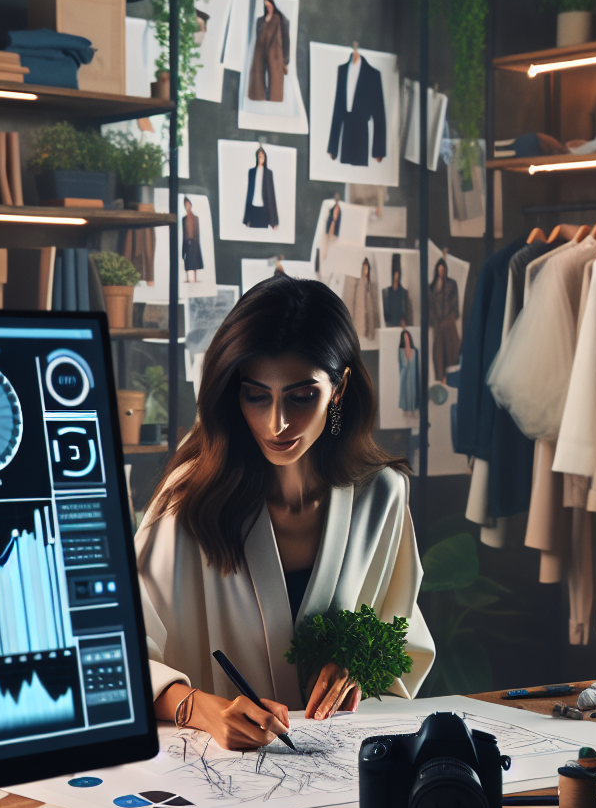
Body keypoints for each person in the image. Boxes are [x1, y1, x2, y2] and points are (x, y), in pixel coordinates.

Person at [136, 276, 434, 750]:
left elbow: (398, 640)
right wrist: (201, 709)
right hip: (215, 773)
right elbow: (117, 659)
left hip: (335, 771)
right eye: (257, 395)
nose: (277, 424)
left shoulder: (382, 496)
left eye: (301, 397)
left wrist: (354, 671)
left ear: (339, 389)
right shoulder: (189, 501)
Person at [248, 0, 290, 103]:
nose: (268, 8)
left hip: (276, 54)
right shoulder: (261, 20)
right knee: (258, 77)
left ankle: (274, 101)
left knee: (275, 80)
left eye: (269, 5)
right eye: (265, 6)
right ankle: (257, 99)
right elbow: (258, 35)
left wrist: (285, 59)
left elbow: (285, 38)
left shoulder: (280, 18)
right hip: (260, 52)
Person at [429, 257, 460, 381]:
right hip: (437, 325)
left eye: (443, 270)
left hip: (449, 323)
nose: (441, 273)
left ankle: (450, 381)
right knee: (438, 356)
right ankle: (440, 381)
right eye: (439, 271)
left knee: (451, 354)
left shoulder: (451, 284)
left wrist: (451, 316)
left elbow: (455, 302)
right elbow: (430, 305)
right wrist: (433, 322)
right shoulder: (432, 286)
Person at [343, 257, 380, 342]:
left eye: (366, 267)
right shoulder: (357, 283)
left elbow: (371, 309)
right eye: (364, 267)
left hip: (367, 327)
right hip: (358, 324)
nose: (365, 270)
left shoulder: (370, 285)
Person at [243, 147, 279, 230]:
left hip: (264, 209)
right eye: (259, 156)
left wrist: (274, 222)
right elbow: (249, 193)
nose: (261, 158)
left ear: (265, 158)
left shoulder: (268, 173)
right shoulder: (251, 172)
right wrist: (247, 218)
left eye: (262, 156)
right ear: (256, 157)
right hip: (253, 207)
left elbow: (271, 195)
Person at [382, 253, 413, 327]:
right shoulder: (387, 292)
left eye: (398, 274)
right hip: (390, 325)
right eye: (395, 274)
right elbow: (386, 313)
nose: (396, 276)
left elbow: (405, 311)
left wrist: (403, 320)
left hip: (400, 325)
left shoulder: (402, 292)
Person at [182, 198, 205, 282]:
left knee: (195, 259)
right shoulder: (184, 219)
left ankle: (195, 278)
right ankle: (188, 278)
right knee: (187, 260)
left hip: (194, 241)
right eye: (186, 206)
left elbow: (197, 231)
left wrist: (196, 241)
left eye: (188, 205)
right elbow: (184, 232)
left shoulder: (195, 218)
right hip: (187, 242)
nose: (187, 207)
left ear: (191, 206)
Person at [398, 329, 419, 418]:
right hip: (405, 376)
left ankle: (414, 409)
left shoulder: (415, 351)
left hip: (414, 377)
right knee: (405, 392)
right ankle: (406, 409)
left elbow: (417, 365)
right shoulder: (401, 351)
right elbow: (403, 364)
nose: (407, 341)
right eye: (405, 339)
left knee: (413, 392)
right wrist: (407, 353)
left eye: (408, 338)